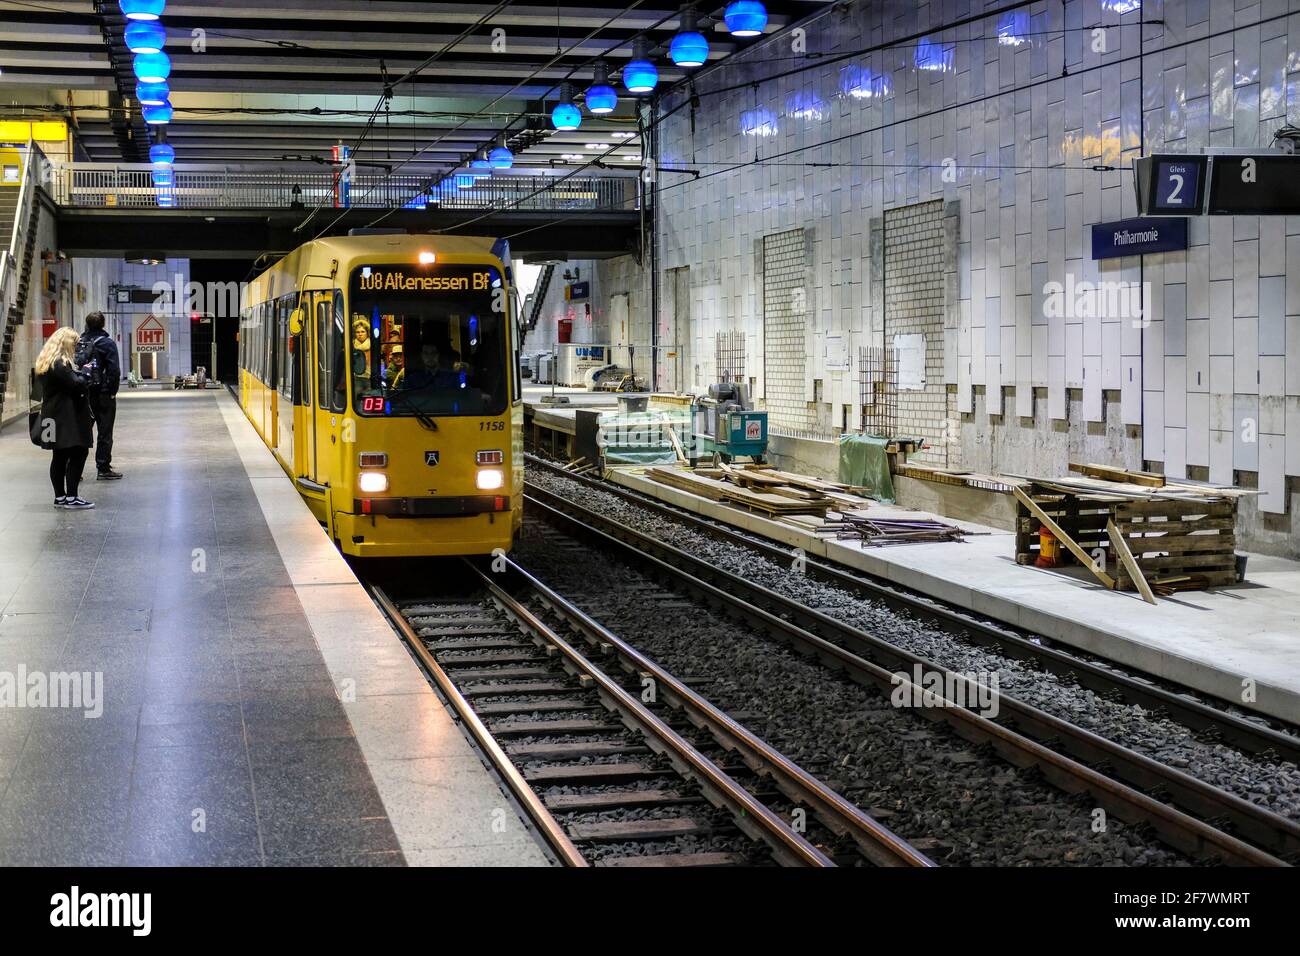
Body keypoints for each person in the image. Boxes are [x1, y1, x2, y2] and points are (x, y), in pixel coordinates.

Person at [34, 327, 95, 510]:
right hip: (66, 417)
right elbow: (76, 385)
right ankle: (71, 497)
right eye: (75, 344)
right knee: (78, 452)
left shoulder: (46, 361)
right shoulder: (59, 363)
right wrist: (86, 372)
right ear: (67, 343)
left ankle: (60, 497)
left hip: (52, 414)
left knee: (59, 456)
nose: (77, 348)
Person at [76, 311, 123, 480]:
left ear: (87, 324)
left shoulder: (80, 342)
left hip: (82, 392)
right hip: (102, 394)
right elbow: (114, 370)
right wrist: (112, 391)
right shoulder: (107, 343)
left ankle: (74, 469)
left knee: (81, 430)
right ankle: (103, 467)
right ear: (103, 325)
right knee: (104, 432)